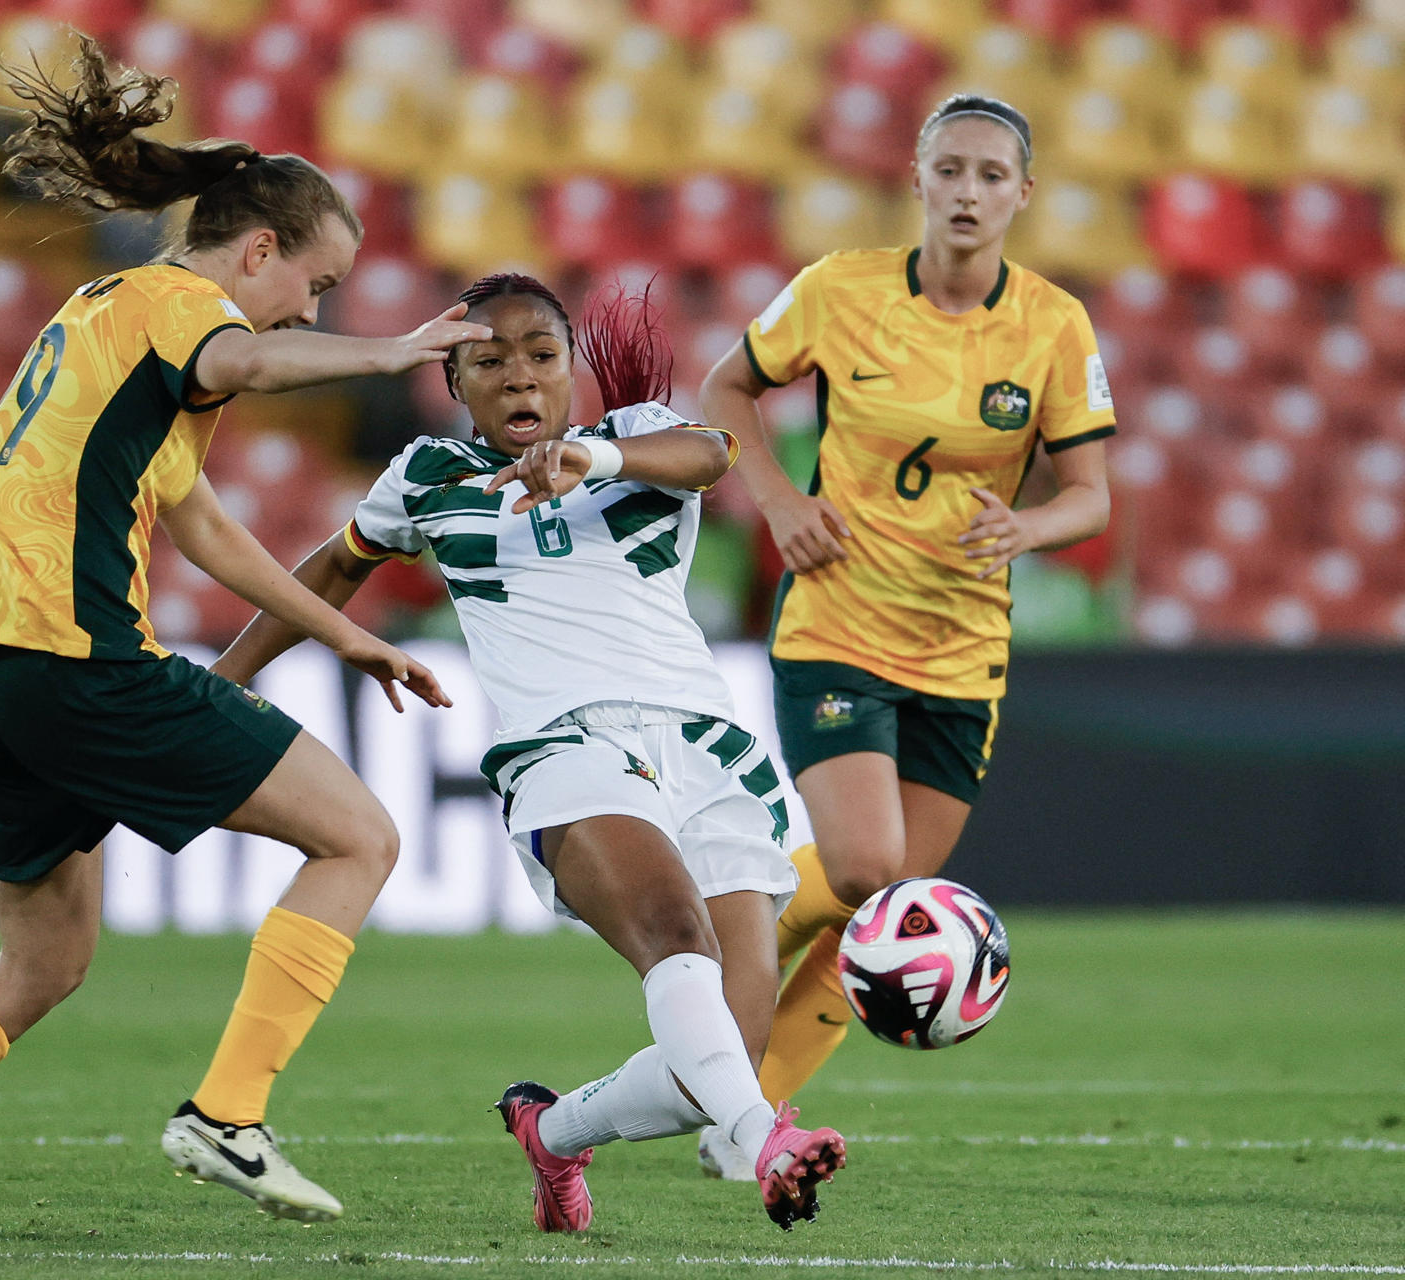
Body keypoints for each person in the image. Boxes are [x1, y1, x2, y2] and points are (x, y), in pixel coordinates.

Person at [0, 38, 491, 1255]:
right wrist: (389, 351)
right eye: (313, 285)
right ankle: (229, 1113)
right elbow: (249, 356)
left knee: (43, 957)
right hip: (72, 649)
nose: (311, 310)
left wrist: (345, 635)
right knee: (360, 834)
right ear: (257, 250)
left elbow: (203, 521)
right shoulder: (183, 308)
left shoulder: (102, 313)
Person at [214, 273, 847, 1233]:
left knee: (721, 1052)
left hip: (710, 755)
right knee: (677, 940)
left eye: (541, 357)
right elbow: (338, 564)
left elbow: (713, 454)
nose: (520, 379)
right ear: (452, 382)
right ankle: (766, 1143)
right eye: (489, 361)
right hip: (567, 750)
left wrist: (590, 458)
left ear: (572, 372)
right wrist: (223, 682)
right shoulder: (427, 476)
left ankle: (553, 1134)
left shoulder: (632, 437)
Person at [691, 93, 1115, 1176]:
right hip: (838, 618)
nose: (969, 192)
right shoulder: (840, 289)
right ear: (918, 179)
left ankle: (743, 1122)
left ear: (1024, 194)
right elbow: (724, 388)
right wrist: (781, 503)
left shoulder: (1056, 325)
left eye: (991, 175)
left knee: (890, 916)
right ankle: (731, 924)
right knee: (871, 864)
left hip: (964, 648)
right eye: (952, 169)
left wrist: (1030, 523)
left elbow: (1092, 496)